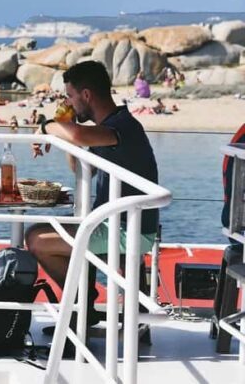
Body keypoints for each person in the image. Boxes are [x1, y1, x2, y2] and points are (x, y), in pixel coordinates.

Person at [26, 60, 159, 333]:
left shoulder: (122, 126)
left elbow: (77, 134)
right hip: (112, 221)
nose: (69, 102)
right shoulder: (107, 128)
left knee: (36, 239)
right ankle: (82, 309)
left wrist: (46, 127)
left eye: (71, 96)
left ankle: (82, 305)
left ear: (86, 95)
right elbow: (80, 163)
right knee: (62, 231)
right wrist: (66, 130)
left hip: (126, 228)